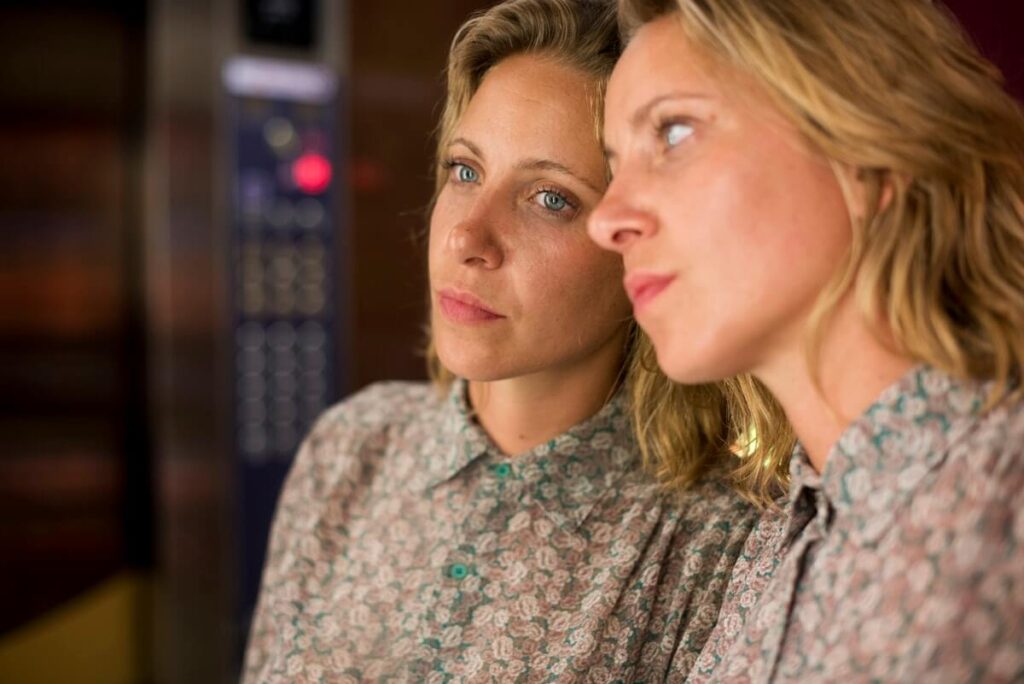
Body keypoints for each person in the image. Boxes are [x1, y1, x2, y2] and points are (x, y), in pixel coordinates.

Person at [242, 0, 787, 681]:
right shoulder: (352, 449)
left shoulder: (720, 541)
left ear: (639, 237)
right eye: (465, 171)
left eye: (550, 198)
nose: (468, 237)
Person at [588, 0, 1024, 681]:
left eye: (673, 133)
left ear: (863, 146)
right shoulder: (775, 546)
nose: (607, 219)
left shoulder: (1006, 498)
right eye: (615, 164)